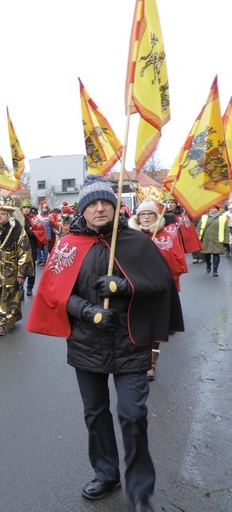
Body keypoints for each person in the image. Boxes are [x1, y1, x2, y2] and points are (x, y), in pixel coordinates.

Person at [26, 175, 184, 511]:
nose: (100, 208)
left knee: (132, 414)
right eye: (93, 204)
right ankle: (105, 472)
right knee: (95, 413)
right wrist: (87, 312)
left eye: (106, 203)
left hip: (131, 344)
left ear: (114, 207)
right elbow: (55, 293)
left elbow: (161, 285)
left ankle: (141, 490)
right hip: (86, 345)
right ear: (83, 210)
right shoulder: (68, 244)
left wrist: (127, 287)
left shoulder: (137, 243)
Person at [128, 198, 187, 382]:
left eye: (149, 214)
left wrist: (156, 255)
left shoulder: (167, 234)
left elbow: (176, 260)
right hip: (135, 288)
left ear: (156, 216)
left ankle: (151, 364)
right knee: (136, 323)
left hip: (158, 289)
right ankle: (135, 359)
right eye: (142, 214)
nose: (146, 217)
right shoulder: (130, 235)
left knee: (155, 325)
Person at [0, 200, 33, 336]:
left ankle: (3, 323)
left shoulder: (18, 230)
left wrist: (21, 273)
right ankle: (2, 321)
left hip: (10, 269)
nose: (0, 216)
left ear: (9, 215)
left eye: (3, 214)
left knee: (9, 295)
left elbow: (24, 252)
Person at [20, 199, 45, 296]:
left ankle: (30, 286)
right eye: (24, 208)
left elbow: (40, 231)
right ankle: (20, 289)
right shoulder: (17, 218)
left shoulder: (35, 219)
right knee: (20, 268)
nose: (26, 210)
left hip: (31, 246)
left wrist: (30, 233)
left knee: (31, 268)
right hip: (19, 247)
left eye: (27, 208)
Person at [197, 204, 229, 277]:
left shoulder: (222, 218)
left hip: (217, 239)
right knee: (206, 254)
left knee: (216, 254)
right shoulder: (204, 217)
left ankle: (215, 270)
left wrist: (226, 241)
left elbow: (226, 230)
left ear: (217, 209)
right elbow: (199, 228)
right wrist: (198, 237)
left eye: (213, 208)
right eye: (210, 208)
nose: (211, 210)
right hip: (206, 239)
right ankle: (208, 264)